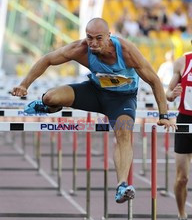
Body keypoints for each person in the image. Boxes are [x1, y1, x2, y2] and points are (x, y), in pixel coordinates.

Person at [12, 17, 174, 204]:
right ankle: (47, 106)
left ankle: (122, 185)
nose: (94, 43)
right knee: (50, 97)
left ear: (108, 37)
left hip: (121, 100)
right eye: (90, 38)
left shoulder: (127, 51)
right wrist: (24, 84)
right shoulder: (80, 48)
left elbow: (154, 80)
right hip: (94, 92)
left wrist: (163, 115)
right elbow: (48, 59)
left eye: (99, 38)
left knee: (123, 133)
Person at [166, 49, 192, 220]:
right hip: (185, 121)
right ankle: (182, 217)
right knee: (182, 177)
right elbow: (168, 93)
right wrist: (172, 94)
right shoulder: (182, 62)